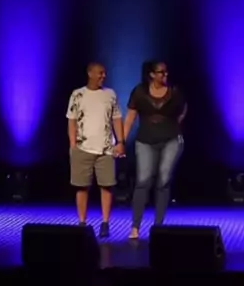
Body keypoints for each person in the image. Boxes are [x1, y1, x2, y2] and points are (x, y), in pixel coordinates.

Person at [124, 61, 187, 240]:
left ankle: (158, 226)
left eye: (166, 72)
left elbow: (183, 109)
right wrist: (121, 141)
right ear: (151, 74)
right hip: (145, 141)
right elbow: (130, 118)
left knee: (163, 180)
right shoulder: (140, 92)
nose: (165, 75)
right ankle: (135, 227)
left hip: (171, 140)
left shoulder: (174, 92)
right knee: (143, 180)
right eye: (161, 72)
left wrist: (174, 125)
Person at [66, 62, 124, 237]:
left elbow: (117, 118)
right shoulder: (78, 94)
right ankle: (82, 222)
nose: (103, 76)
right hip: (82, 147)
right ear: (90, 73)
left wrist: (120, 141)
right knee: (82, 186)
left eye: (104, 73)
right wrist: (73, 145)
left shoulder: (110, 94)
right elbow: (72, 120)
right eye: (100, 73)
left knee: (107, 186)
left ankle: (105, 223)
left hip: (106, 149)